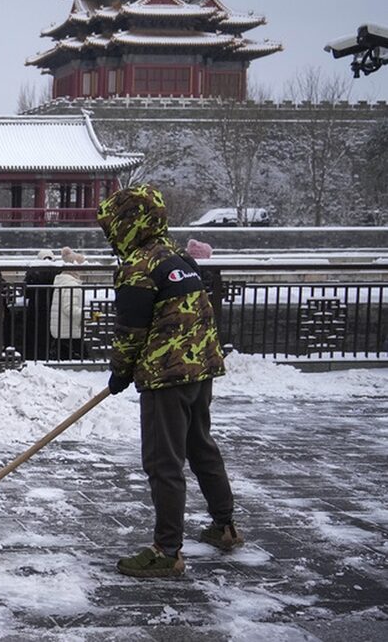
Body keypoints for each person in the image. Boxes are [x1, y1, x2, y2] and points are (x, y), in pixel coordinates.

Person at [96, 185, 243, 579]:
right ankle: (224, 526)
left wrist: (120, 372)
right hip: (201, 370)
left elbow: (131, 332)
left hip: (166, 377)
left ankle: (167, 550)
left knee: (164, 463)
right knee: (200, 447)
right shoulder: (178, 258)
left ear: (128, 223)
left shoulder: (138, 268)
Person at [49, 248, 86, 360]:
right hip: (70, 330)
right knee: (80, 359)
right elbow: (69, 308)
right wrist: (86, 314)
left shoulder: (62, 282)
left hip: (62, 329)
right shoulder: (72, 285)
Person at [22, 249, 59, 360]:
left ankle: (31, 357)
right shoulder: (57, 272)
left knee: (33, 334)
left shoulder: (33, 272)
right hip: (51, 308)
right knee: (48, 335)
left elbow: (25, 292)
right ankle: (48, 356)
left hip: (35, 307)